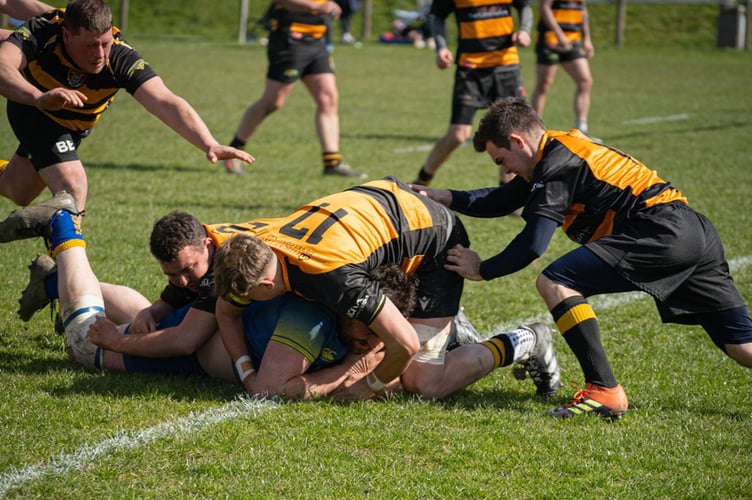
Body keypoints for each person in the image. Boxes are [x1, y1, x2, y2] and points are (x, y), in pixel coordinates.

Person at [412, 96, 752, 419]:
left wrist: (482, 269)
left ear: (517, 141)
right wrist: (444, 197)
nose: (507, 170)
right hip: (692, 231)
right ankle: (603, 391)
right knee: (742, 347)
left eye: (502, 161)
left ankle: (604, 391)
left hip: (661, 233)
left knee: (556, 281)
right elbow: (502, 198)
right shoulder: (555, 151)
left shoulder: (558, 163)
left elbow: (532, 244)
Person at [1, 197, 411, 399]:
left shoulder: (234, 264)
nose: (181, 280)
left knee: (164, 321)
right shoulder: (222, 266)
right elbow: (183, 337)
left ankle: (56, 282)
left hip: (224, 329)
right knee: (82, 345)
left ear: (206, 245)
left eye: (186, 269)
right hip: (204, 341)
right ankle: (64, 233)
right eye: (173, 273)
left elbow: (188, 330)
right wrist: (122, 337)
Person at [210, 177, 561, 401]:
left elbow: (404, 344)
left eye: (250, 297)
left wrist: (367, 386)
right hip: (381, 210)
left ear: (268, 283)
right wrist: (248, 373)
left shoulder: (334, 277)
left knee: (424, 381)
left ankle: (527, 339)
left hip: (434, 239)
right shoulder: (255, 248)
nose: (246, 303)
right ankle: (446, 326)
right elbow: (226, 310)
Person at [0, 0, 254, 214]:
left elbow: (165, 101)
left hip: (72, 127)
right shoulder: (44, 32)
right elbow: (3, 66)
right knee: (73, 183)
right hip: (35, 109)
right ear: (67, 36)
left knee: (18, 190)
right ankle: (63, 271)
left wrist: (209, 143)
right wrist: (37, 97)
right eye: (91, 45)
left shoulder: (120, 57)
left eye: (105, 43)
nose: (100, 53)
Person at [222, 0, 365, 178]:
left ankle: (332, 162)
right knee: (272, 102)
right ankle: (234, 150)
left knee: (327, 98)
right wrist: (317, 7)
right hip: (289, 40)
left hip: (317, 41)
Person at [410, 0, 532, 188]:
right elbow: (436, 16)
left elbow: (524, 6)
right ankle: (422, 180)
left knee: (511, 132)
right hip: (470, 68)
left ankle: (507, 192)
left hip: (506, 65)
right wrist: (441, 47)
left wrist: (524, 29)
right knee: (458, 135)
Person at [529, 0, 598, 141]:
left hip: (573, 40)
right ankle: (534, 130)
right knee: (544, 84)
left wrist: (587, 39)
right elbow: (544, 8)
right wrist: (559, 34)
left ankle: (582, 128)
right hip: (550, 39)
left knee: (585, 80)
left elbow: (583, 10)